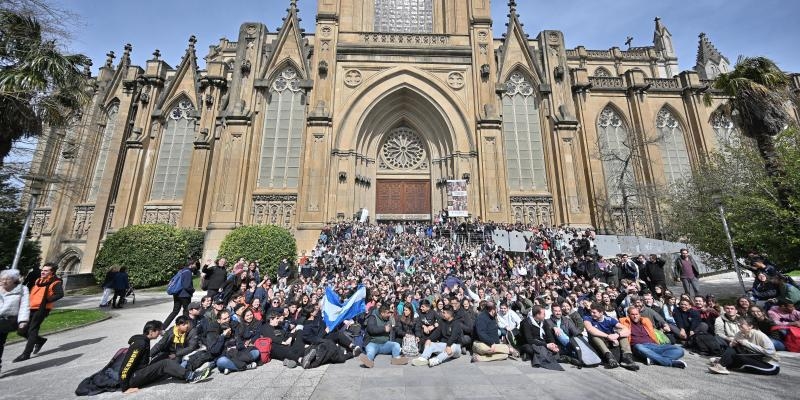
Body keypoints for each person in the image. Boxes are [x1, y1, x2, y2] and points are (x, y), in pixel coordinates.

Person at [118, 320, 212, 393]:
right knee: (165, 363)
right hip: (132, 379)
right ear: (151, 331)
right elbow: (127, 365)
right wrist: (125, 388)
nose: (160, 333)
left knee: (165, 356)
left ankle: (179, 371)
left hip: (139, 372)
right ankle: (191, 376)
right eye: (158, 331)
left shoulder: (143, 340)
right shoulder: (140, 344)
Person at [14, 262, 63, 362]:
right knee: (21, 331)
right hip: (30, 307)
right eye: (43, 270)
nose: (43, 272)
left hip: (41, 309)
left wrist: (47, 300)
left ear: (52, 272)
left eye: (46, 271)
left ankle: (26, 354)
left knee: (32, 330)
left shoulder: (56, 282)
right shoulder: (38, 280)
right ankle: (40, 340)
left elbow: (60, 294)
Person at [619, 306, 686, 368]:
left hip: (654, 345)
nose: (635, 316)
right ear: (628, 315)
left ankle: (654, 359)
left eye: (636, 314)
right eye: (632, 314)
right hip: (640, 347)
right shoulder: (624, 322)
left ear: (639, 314)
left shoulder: (645, 321)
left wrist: (664, 326)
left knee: (679, 350)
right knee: (638, 347)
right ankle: (670, 363)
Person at [708, 318, 780, 375]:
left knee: (742, 360)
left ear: (750, 326)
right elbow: (732, 348)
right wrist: (732, 344)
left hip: (769, 365)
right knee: (734, 350)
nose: (739, 326)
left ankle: (722, 362)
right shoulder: (739, 334)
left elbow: (770, 352)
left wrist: (746, 344)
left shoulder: (759, 335)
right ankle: (721, 365)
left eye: (742, 324)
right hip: (754, 359)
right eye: (738, 324)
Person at [583, 302, 639, 370]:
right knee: (594, 335)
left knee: (621, 332)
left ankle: (627, 358)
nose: (592, 314)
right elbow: (590, 329)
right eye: (591, 312)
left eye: (594, 312)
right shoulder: (587, 318)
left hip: (609, 342)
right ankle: (609, 357)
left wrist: (617, 335)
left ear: (601, 313)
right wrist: (608, 336)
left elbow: (627, 330)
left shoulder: (609, 319)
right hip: (597, 343)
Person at [0, 269, 29, 375]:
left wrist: (23, 320)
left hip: (5, 320)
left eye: (7, 279)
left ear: (14, 280)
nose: (4, 281)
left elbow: (24, 305)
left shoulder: (22, 289)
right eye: (2, 279)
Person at [520, 306, 562, 370]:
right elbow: (529, 340)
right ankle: (529, 355)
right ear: (537, 315)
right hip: (529, 343)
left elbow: (549, 335)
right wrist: (546, 345)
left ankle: (532, 356)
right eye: (543, 314)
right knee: (531, 349)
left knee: (558, 349)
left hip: (541, 342)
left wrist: (552, 344)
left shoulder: (543, 322)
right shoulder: (526, 323)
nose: (545, 315)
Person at [163, 263, 196, 328]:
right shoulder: (188, 272)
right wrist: (192, 290)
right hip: (185, 295)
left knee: (175, 311)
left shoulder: (181, 271)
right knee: (186, 311)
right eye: (195, 264)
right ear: (191, 264)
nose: (195, 265)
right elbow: (186, 286)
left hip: (177, 293)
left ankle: (163, 327)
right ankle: (185, 327)